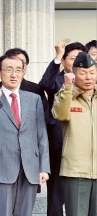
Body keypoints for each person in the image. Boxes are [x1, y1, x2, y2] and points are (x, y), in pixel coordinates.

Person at [0, 54, 50, 215]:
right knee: (1, 212)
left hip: (30, 165)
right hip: (1, 164)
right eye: (9, 70)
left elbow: (42, 135)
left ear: (24, 72)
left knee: (25, 213)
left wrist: (44, 167)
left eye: (18, 70)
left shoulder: (34, 99)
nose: (14, 74)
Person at [38, 41, 86, 216]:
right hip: (60, 142)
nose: (76, 62)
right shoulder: (57, 80)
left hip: (83, 144)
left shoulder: (89, 80)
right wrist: (57, 56)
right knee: (56, 192)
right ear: (65, 60)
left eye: (80, 58)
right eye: (72, 58)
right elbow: (44, 84)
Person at [52, 51, 96, 216]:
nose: (88, 77)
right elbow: (60, 114)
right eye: (83, 73)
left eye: (92, 73)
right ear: (74, 74)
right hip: (75, 171)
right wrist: (68, 88)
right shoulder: (66, 96)